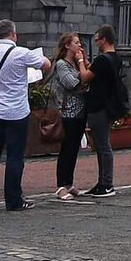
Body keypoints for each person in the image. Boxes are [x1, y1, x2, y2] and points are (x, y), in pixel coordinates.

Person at [0, 20, 49, 212]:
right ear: (13, 34)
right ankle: (13, 200)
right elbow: (46, 64)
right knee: (15, 157)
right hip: (16, 112)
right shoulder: (21, 53)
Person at [75, 25, 126, 198]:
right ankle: (102, 182)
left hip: (99, 106)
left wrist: (81, 61)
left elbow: (85, 77)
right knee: (101, 144)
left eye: (97, 40)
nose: (95, 43)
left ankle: (107, 184)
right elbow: (97, 74)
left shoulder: (102, 60)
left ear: (104, 39)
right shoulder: (115, 58)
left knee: (103, 145)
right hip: (108, 105)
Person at [50, 32, 91, 199]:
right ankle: (61, 186)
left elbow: (87, 79)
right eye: (76, 43)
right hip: (68, 112)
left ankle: (69, 183)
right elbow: (72, 83)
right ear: (67, 46)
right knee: (66, 149)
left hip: (80, 112)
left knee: (74, 149)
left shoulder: (75, 65)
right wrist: (84, 77)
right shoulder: (62, 64)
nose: (79, 46)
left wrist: (83, 65)